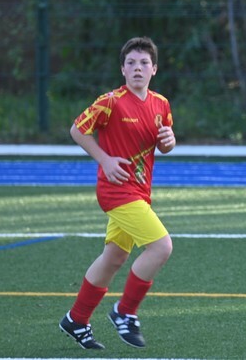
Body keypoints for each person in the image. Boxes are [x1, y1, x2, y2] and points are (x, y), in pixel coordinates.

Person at [59, 36, 176, 350]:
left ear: (154, 69)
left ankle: (76, 318)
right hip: (116, 191)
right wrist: (105, 160)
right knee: (161, 247)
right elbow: (77, 130)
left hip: (140, 190)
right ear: (122, 69)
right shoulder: (110, 101)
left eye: (144, 63)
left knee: (114, 257)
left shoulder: (161, 104)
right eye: (131, 63)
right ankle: (125, 311)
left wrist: (170, 141)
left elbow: (164, 143)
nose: (137, 68)